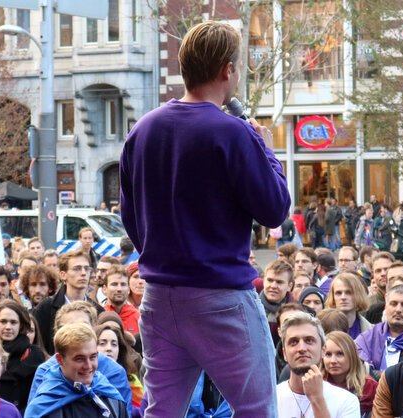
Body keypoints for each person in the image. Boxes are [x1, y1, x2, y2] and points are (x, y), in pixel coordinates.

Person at [120, 23, 290, 416]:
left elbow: (131, 218)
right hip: (220, 297)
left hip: (159, 297)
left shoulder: (142, 130)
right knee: (257, 409)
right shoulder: (232, 133)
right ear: (227, 70)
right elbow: (274, 209)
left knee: (161, 410)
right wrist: (267, 152)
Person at [28, 302, 133, 413]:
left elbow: (124, 412)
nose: (77, 333)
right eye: (69, 328)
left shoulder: (114, 371)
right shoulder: (45, 371)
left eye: (83, 326)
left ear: (94, 328)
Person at [275, 312, 360, 417]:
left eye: (309, 341)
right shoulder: (270, 399)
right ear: (284, 354)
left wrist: (317, 399)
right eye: (294, 342)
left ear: (323, 350)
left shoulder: (346, 401)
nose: (302, 348)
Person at [34, 250, 105, 354]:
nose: (83, 273)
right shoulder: (46, 308)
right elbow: (39, 346)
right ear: (63, 275)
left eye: (86, 268)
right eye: (77, 269)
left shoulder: (98, 311)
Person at [0, 300, 47, 412]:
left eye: (13, 322)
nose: (8, 327)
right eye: (3, 321)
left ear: (21, 325)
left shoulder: (34, 354)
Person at [355, 285, 403, 374]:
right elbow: (359, 371)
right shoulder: (367, 338)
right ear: (386, 308)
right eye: (393, 304)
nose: (398, 309)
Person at [321, 331, 378, 416]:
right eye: (328, 354)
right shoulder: (316, 385)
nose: (333, 361)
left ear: (352, 356)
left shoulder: (370, 387)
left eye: (340, 354)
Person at [95, 322, 142, 409]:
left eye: (114, 344)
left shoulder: (131, 380)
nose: (109, 348)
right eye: (102, 343)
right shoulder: (84, 378)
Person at [324, 273, 371, 339]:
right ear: (333, 297)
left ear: (358, 295)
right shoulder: (321, 328)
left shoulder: (370, 331)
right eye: (338, 293)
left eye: (349, 292)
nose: (343, 297)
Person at [261, 260, 294, 345]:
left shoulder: (297, 314)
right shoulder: (251, 308)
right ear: (264, 281)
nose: (273, 286)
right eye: (270, 280)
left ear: (289, 286)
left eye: (279, 282)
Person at [101, 265, 140, 335]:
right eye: (114, 284)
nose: (119, 289)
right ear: (104, 289)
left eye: (123, 284)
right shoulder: (97, 313)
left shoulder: (138, 318)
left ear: (128, 289)